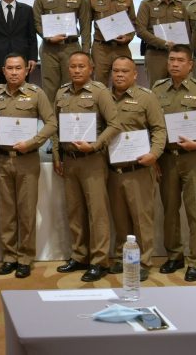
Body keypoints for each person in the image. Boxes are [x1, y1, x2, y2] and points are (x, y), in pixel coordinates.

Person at [153, 44, 196, 282]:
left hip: (194, 158)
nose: (174, 64)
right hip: (166, 158)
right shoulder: (157, 90)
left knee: (195, 213)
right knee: (170, 211)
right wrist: (154, 156)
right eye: (171, 60)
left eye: (180, 60)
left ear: (190, 65)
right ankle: (174, 255)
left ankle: (195, 261)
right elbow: (151, 125)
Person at [0, 53, 57, 279]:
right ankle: (9, 257)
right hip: (2, 159)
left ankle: (25, 258)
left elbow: (52, 123)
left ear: (27, 70)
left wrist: (33, 142)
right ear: (3, 71)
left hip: (27, 160)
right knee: (6, 211)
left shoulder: (36, 93)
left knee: (26, 211)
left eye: (18, 68)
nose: (14, 72)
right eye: (10, 68)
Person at [53, 52, 121, 282]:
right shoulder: (61, 93)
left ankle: (99, 261)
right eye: (73, 66)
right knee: (75, 211)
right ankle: (79, 255)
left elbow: (115, 124)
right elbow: (55, 126)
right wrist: (57, 155)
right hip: (70, 160)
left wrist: (95, 145)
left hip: (93, 160)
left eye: (81, 66)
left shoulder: (100, 92)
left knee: (97, 212)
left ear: (91, 68)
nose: (76, 70)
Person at [106, 56, 165, 281]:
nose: (119, 75)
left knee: (142, 219)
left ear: (135, 74)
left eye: (125, 71)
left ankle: (143, 261)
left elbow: (159, 129)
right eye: (116, 71)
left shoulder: (146, 97)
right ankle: (123, 258)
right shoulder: (104, 97)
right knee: (120, 218)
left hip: (138, 168)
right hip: (113, 170)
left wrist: (154, 154)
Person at [33, 0, 91, 103]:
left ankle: (70, 116)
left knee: (73, 86)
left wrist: (85, 51)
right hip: (49, 49)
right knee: (50, 89)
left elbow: (85, 24)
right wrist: (47, 37)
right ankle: (51, 117)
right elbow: (36, 21)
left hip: (71, 48)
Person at [87, 0, 137, 86]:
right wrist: (86, 51)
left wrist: (129, 37)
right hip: (101, 48)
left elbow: (133, 22)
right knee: (99, 84)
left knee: (125, 82)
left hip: (122, 47)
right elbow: (86, 26)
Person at [135, 0, 187, 85]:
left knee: (180, 87)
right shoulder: (147, 4)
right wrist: (163, 43)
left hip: (177, 54)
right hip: (156, 55)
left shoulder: (179, 5)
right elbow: (140, 30)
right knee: (157, 88)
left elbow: (187, 30)